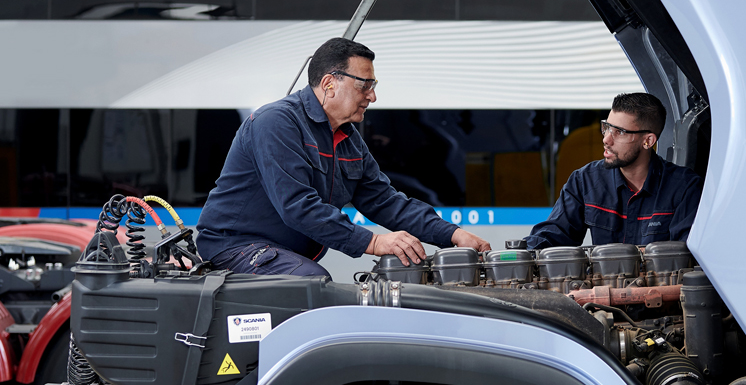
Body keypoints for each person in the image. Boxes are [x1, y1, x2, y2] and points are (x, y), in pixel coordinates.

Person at [197, 37, 490, 276]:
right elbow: (297, 206)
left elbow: (385, 202)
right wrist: (374, 242)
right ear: (329, 84)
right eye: (365, 85)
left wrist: (453, 235)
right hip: (235, 248)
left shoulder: (348, 139)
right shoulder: (276, 122)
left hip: (281, 254)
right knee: (311, 283)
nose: (372, 96)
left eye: (373, 86)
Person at [524, 93, 701, 249]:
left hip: (657, 287)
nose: (606, 139)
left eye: (620, 132)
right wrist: (511, 256)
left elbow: (685, 257)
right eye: (607, 127)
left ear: (648, 141)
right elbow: (552, 237)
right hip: (600, 285)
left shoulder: (685, 188)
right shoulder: (585, 180)